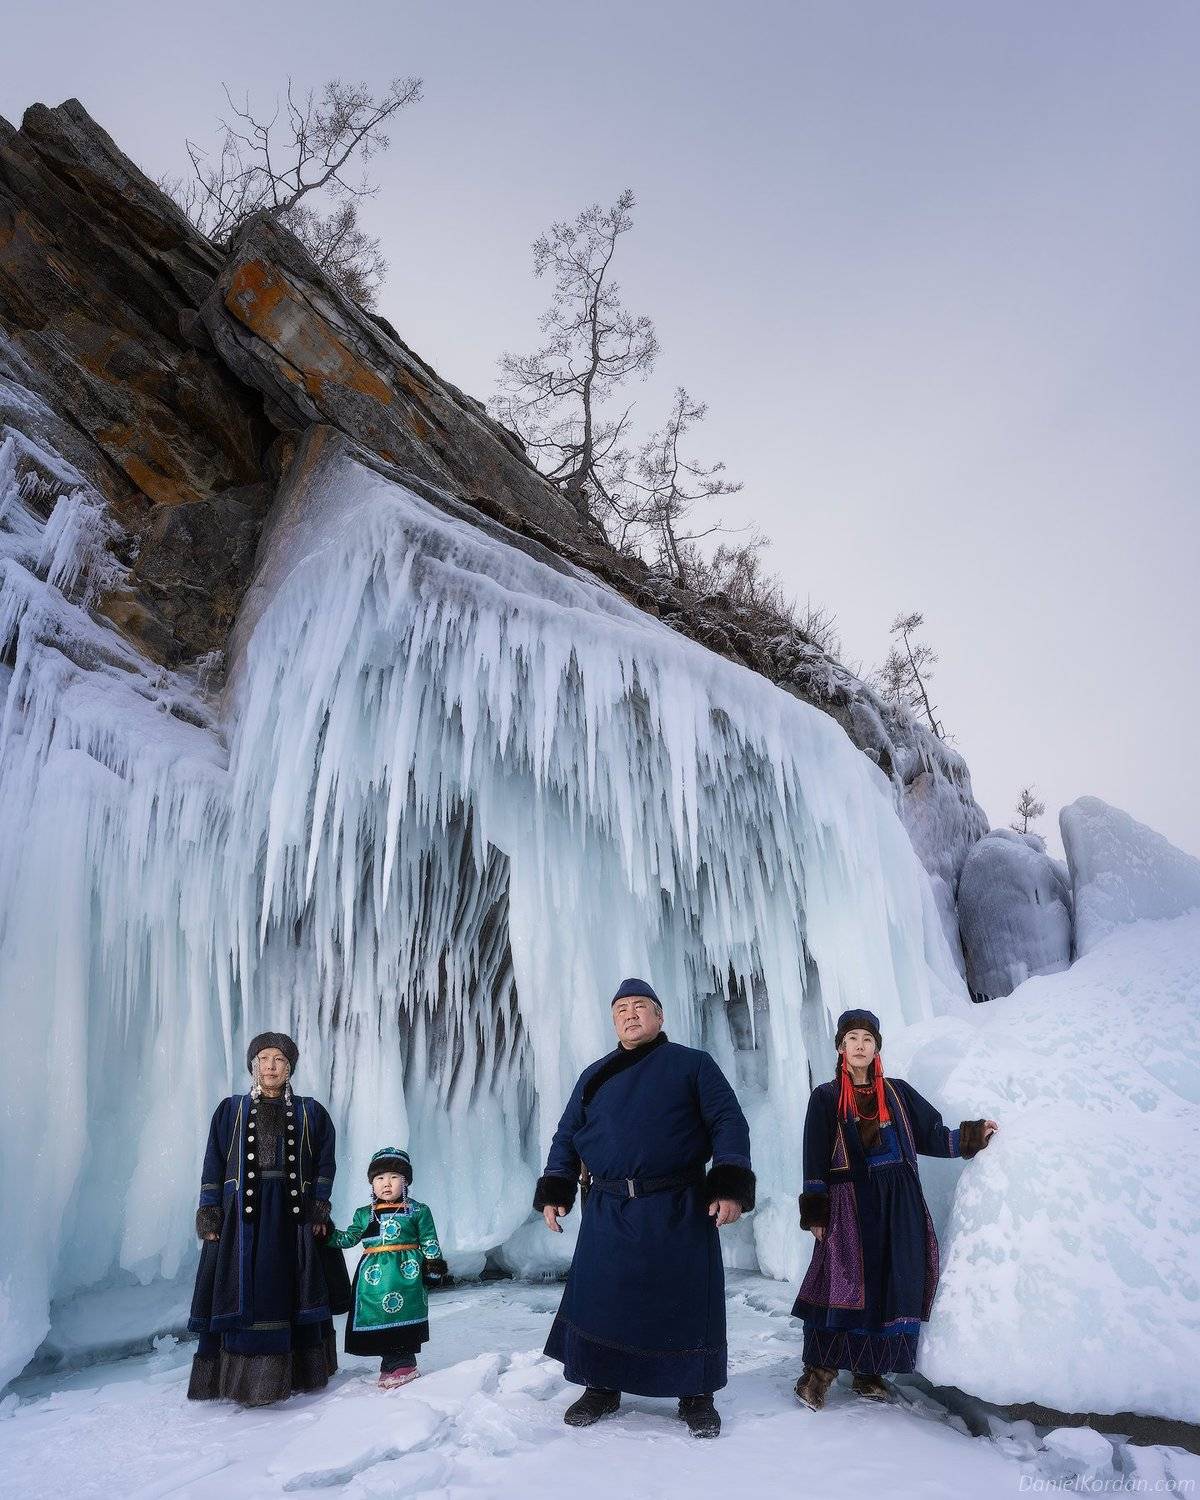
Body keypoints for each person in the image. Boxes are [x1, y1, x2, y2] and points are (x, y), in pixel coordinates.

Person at [534, 977, 755, 1439]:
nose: (630, 1015)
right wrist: (556, 1190)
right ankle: (601, 1386)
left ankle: (696, 1394)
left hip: (678, 1206)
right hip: (608, 1207)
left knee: (686, 1301)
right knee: (603, 1300)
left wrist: (730, 1184)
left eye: (640, 1006)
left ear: (659, 1016)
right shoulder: (594, 1076)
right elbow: (566, 1135)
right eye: (620, 1009)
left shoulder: (693, 1065)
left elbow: (728, 1122)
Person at [792, 1008, 998, 1410]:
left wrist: (973, 1136)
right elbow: (813, 1156)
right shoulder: (826, 1097)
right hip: (850, 1204)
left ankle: (869, 1372)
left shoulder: (899, 1093)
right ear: (840, 1047)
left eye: (867, 1040)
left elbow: (934, 1136)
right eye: (852, 1039)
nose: (859, 1046)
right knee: (843, 1284)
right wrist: (816, 1213)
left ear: (876, 1048)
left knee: (892, 1283)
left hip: (899, 1204)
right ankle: (817, 1376)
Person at [187, 1031, 345, 1406]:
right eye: (264, 1059)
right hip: (241, 1221)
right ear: (253, 1065)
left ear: (289, 1068)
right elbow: (212, 1163)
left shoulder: (311, 1112)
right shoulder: (230, 1110)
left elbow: (325, 1162)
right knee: (242, 1290)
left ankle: (297, 1375)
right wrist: (210, 1212)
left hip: (291, 1220)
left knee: (289, 1289)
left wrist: (319, 1205)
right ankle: (239, 1379)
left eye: (279, 1060)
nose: (270, 1066)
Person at [330, 1147, 449, 1388]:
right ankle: (390, 1364)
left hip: (407, 1275)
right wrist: (324, 1233)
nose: (386, 1183)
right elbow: (348, 1239)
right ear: (372, 1184)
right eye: (379, 1178)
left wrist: (433, 1270)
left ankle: (404, 1364)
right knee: (380, 1318)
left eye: (394, 1177)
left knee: (405, 1318)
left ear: (405, 1182)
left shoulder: (419, 1210)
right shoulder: (364, 1214)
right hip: (373, 1280)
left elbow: (429, 1241)